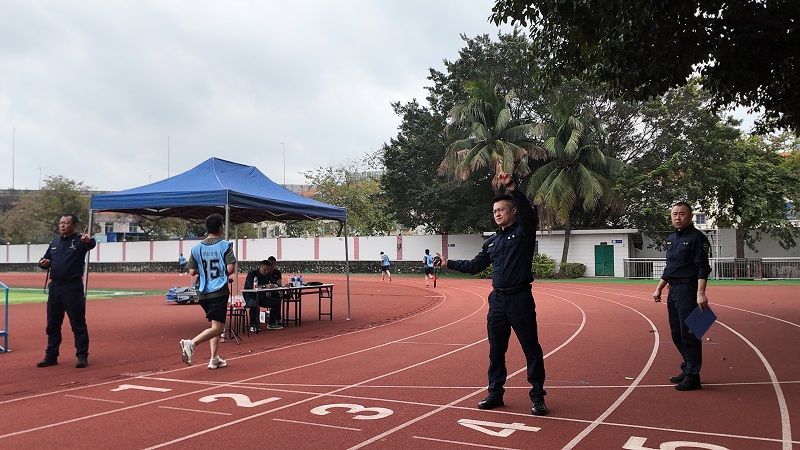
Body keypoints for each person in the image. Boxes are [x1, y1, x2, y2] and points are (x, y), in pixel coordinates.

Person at [436, 171, 548, 416]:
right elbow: (475, 266)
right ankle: (495, 393)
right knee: (496, 350)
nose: (497, 214)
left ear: (513, 211)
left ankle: (538, 396)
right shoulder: (491, 243)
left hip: (520, 299)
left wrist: (512, 187)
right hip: (497, 301)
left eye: (501, 210)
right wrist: (448, 263)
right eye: (495, 211)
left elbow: (529, 213)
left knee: (530, 348)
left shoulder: (524, 232)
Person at [652, 201, 712, 391]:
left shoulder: (697, 238)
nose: (677, 217)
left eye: (682, 214)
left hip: (689, 289)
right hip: (674, 290)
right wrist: (659, 288)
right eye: (674, 214)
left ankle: (693, 376)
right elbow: (670, 267)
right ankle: (688, 368)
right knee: (676, 333)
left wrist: (700, 293)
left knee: (690, 333)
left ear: (691, 216)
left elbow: (703, 267)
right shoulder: (671, 238)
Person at [36, 214, 96, 369]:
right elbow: (44, 261)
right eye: (60, 223)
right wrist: (43, 263)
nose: (62, 225)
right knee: (52, 324)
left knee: (77, 323)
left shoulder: (80, 241)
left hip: (72, 288)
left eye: (66, 223)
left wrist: (88, 241)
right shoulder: (54, 243)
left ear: (73, 225)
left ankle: (82, 356)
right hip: (55, 287)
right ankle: (51, 356)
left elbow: (91, 244)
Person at [180, 213, 237, 369]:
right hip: (219, 290)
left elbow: (192, 271)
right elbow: (230, 269)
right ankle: (191, 344)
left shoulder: (196, 248)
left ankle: (214, 358)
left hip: (203, 291)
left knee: (214, 325)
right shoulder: (225, 245)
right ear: (220, 227)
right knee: (219, 328)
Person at [243, 260, 271, 333]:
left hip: (261, 297)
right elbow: (251, 286)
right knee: (254, 304)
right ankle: (253, 324)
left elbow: (272, 282)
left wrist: (273, 285)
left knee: (276, 301)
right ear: (260, 267)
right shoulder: (252, 274)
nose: (266, 272)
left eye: (268, 270)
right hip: (249, 297)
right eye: (265, 270)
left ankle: (273, 322)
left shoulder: (267, 275)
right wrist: (265, 286)